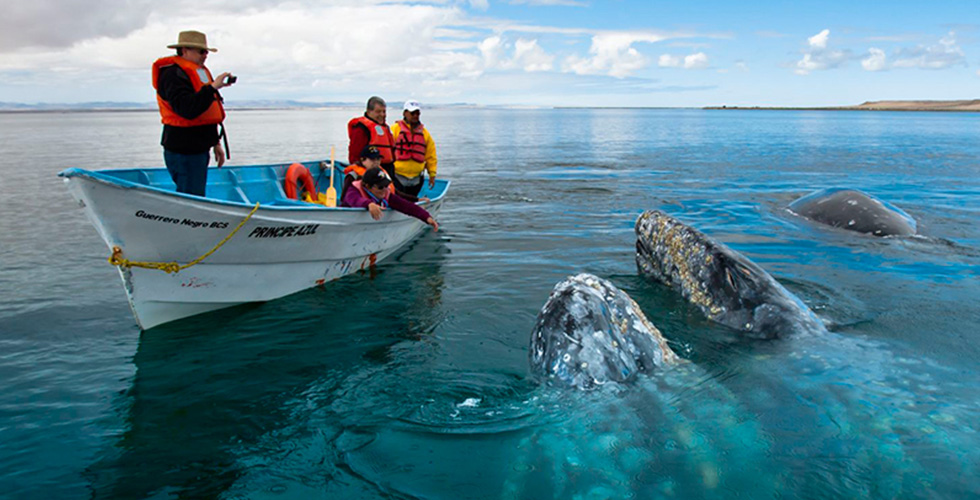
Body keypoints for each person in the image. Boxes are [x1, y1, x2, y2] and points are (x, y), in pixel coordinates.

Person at [152, 30, 234, 196]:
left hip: (199, 147)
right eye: (201, 51)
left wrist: (215, 142)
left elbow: (204, 111)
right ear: (185, 51)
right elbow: (186, 109)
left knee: (196, 193)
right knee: (191, 195)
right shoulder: (173, 75)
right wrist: (212, 88)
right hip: (183, 149)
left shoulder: (198, 72)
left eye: (206, 52)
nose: (205, 56)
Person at [342, 167, 439, 232]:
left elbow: (407, 206)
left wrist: (427, 218)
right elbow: (354, 200)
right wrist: (369, 204)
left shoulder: (386, 194)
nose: (385, 189)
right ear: (367, 186)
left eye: (386, 185)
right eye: (380, 187)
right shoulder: (353, 190)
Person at [390, 100, 438, 198]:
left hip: (417, 178)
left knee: (412, 201)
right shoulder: (394, 130)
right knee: (400, 200)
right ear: (405, 113)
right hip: (397, 176)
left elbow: (431, 155)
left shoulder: (425, 134)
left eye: (417, 113)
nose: (415, 115)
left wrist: (432, 174)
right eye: (412, 113)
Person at [347, 96, 394, 173]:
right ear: (369, 112)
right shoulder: (361, 129)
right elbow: (355, 157)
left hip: (386, 171)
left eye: (384, 111)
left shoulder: (385, 128)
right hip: (370, 173)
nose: (382, 115)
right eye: (378, 112)